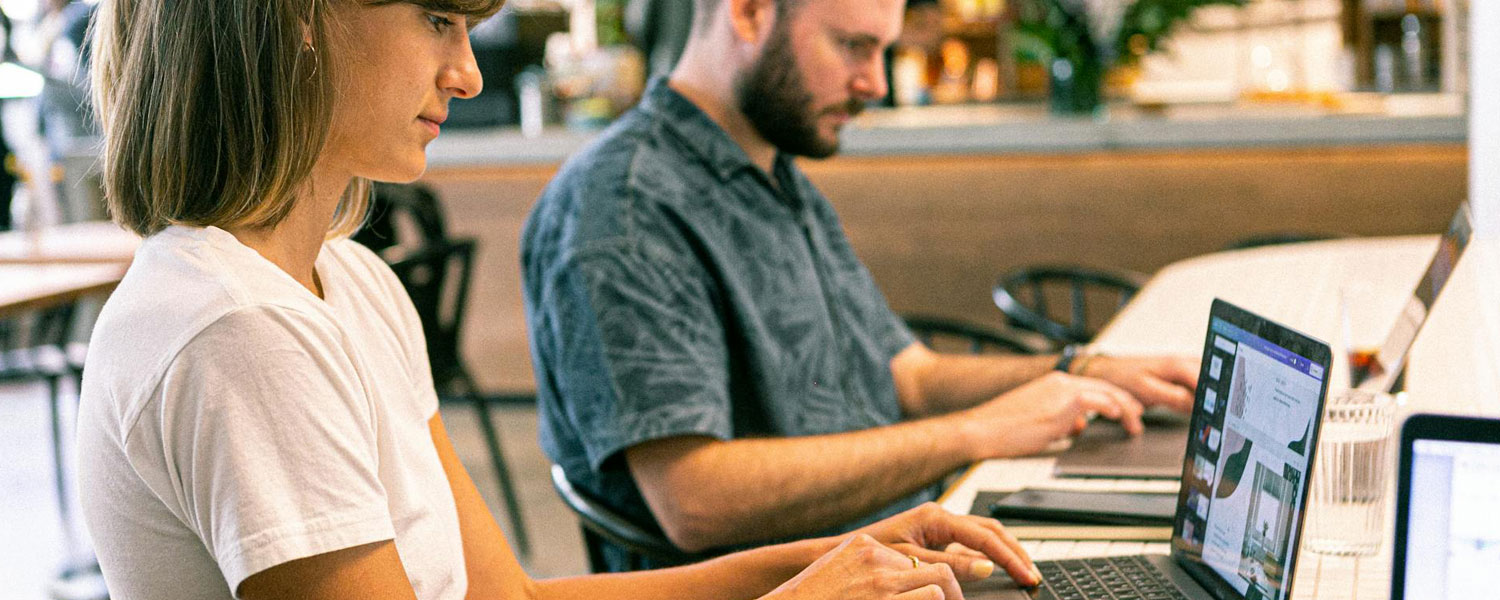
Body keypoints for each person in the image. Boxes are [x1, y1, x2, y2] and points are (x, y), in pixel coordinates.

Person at [76, 1, 1041, 599]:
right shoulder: (238, 330)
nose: (468, 72)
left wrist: (837, 557)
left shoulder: (353, 283)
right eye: (437, 19)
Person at [521, 0, 1200, 571]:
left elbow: (908, 376)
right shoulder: (626, 208)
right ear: (750, 11)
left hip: (901, 545)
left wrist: (1079, 371)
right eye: (852, 46)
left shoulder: (777, 177)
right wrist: (972, 434)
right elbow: (694, 500)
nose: (876, 83)